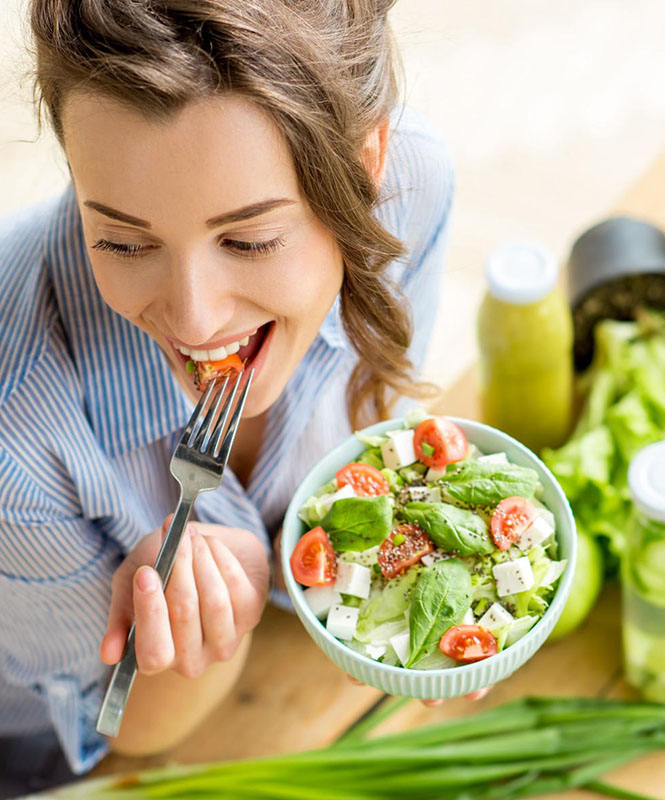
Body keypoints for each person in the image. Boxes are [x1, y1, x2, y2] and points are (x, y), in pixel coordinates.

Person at [0, 0, 464, 790]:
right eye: (122, 239)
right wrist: (191, 615)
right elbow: (120, 730)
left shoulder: (411, 192)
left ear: (367, 164)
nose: (192, 315)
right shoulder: (18, 433)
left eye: (250, 240)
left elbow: (374, 449)